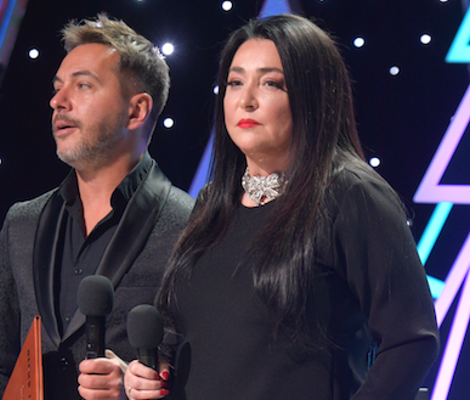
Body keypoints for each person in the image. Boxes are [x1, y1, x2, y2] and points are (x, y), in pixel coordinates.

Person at [124, 13, 439, 400]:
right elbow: (186, 331)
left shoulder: (349, 196)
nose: (246, 100)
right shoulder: (212, 203)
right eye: (235, 83)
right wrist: (154, 368)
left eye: (271, 83)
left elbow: (411, 339)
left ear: (313, 96)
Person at [0, 14, 194, 400]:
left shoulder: (192, 226)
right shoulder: (22, 223)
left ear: (136, 111)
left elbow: (205, 370)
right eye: (58, 88)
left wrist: (135, 387)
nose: (57, 101)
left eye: (83, 85)